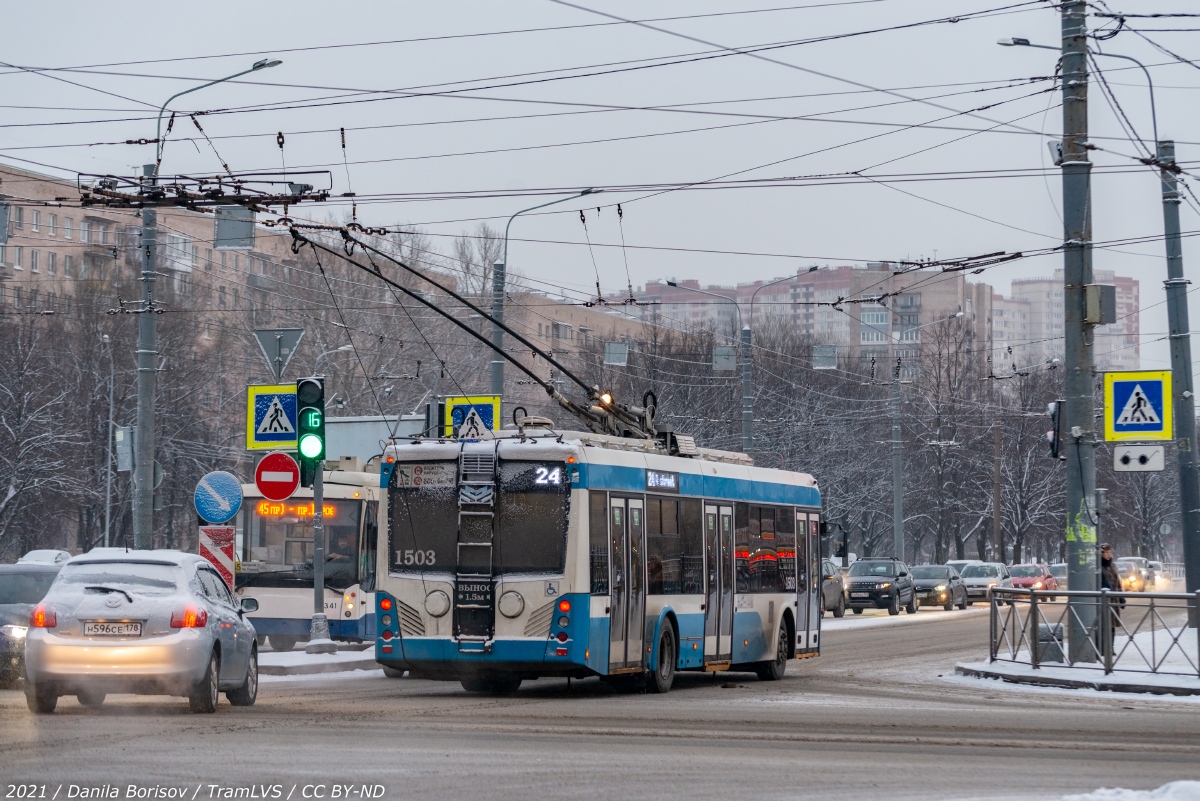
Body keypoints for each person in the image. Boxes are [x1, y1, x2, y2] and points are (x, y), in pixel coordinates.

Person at [1100, 543, 1125, 646]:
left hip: (1113, 600)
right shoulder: (1099, 567)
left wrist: (1121, 597)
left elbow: (1117, 582)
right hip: (1103, 600)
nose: (1109, 554)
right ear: (1101, 554)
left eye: (1110, 552)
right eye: (1106, 552)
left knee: (1112, 625)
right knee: (1104, 624)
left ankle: (1111, 647)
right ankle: (1104, 647)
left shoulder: (1112, 565)